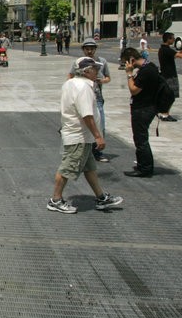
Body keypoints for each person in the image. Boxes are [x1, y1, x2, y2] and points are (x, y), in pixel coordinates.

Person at [47, 57, 124, 213]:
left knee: (89, 168)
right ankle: (55, 200)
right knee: (67, 167)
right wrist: (98, 136)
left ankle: (101, 197)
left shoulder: (70, 83)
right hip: (79, 136)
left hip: (78, 134)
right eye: (95, 68)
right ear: (86, 71)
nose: (98, 71)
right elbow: (87, 115)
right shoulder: (83, 88)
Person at [68, 39, 111, 162]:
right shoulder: (79, 63)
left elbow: (108, 78)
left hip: (97, 97)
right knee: (84, 123)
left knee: (100, 124)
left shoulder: (102, 62)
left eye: (92, 48)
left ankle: (97, 151)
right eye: (87, 48)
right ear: (83, 50)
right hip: (83, 97)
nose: (90, 51)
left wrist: (101, 81)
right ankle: (85, 151)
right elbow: (70, 76)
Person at [121, 47, 161, 178]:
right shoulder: (150, 67)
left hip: (143, 109)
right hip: (147, 107)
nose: (126, 65)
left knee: (141, 139)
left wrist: (129, 74)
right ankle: (143, 165)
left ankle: (145, 168)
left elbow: (134, 90)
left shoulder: (146, 71)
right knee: (140, 138)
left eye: (126, 62)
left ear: (131, 60)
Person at [156, 31, 182, 121]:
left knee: (168, 96)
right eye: (172, 38)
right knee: (171, 96)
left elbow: (176, 54)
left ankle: (164, 113)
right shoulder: (167, 50)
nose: (174, 40)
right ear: (168, 39)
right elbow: (181, 56)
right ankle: (165, 114)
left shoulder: (163, 49)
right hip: (170, 76)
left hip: (165, 74)